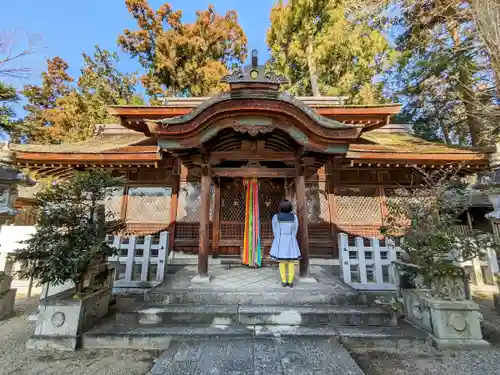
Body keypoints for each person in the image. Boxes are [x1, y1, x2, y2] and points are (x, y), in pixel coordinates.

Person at [269, 199, 301, 287]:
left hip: (281, 240)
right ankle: (290, 281)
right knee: (291, 262)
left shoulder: (276, 217)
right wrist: (291, 236)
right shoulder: (294, 217)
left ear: (281, 207)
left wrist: (278, 238)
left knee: (282, 262)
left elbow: (275, 230)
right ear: (290, 207)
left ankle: (284, 281)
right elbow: (295, 229)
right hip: (291, 239)